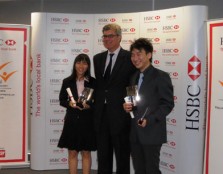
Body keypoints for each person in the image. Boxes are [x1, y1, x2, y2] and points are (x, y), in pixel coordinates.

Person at [123, 38, 174, 174]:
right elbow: (133, 102)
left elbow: (167, 104)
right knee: (139, 170)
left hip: (152, 132)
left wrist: (149, 119)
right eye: (133, 55)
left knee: (151, 170)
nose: (135, 58)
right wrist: (128, 106)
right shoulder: (133, 77)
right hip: (135, 133)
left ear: (149, 55)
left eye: (139, 54)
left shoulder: (161, 76)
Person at [93, 23, 136, 174]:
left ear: (119, 37)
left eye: (110, 36)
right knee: (103, 157)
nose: (107, 39)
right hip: (101, 115)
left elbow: (132, 85)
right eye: (104, 36)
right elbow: (99, 86)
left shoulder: (129, 58)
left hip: (121, 115)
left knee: (122, 157)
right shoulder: (97, 58)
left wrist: (131, 106)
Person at [58, 54, 96, 174]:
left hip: (87, 121)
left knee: (86, 153)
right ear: (74, 64)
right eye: (79, 62)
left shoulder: (93, 82)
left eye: (84, 63)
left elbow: (99, 102)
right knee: (72, 152)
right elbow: (62, 100)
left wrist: (90, 106)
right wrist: (69, 104)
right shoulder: (67, 81)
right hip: (72, 121)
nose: (81, 66)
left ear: (88, 66)